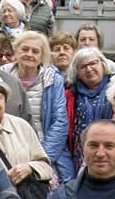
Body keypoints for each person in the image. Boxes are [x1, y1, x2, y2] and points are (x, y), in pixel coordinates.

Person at [5, 31, 73, 182]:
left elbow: (60, 123)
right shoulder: (3, 77)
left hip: (45, 148)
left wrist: (41, 160)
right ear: (15, 51)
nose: (29, 54)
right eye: (25, 49)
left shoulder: (53, 80)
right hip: (9, 149)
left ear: (42, 56)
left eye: (35, 51)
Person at [65, 47, 115, 171]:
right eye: (83, 67)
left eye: (93, 63)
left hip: (108, 152)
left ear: (103, 64)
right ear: (77, 72)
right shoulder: (71, 94)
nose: (89, 69)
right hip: (78, 156)